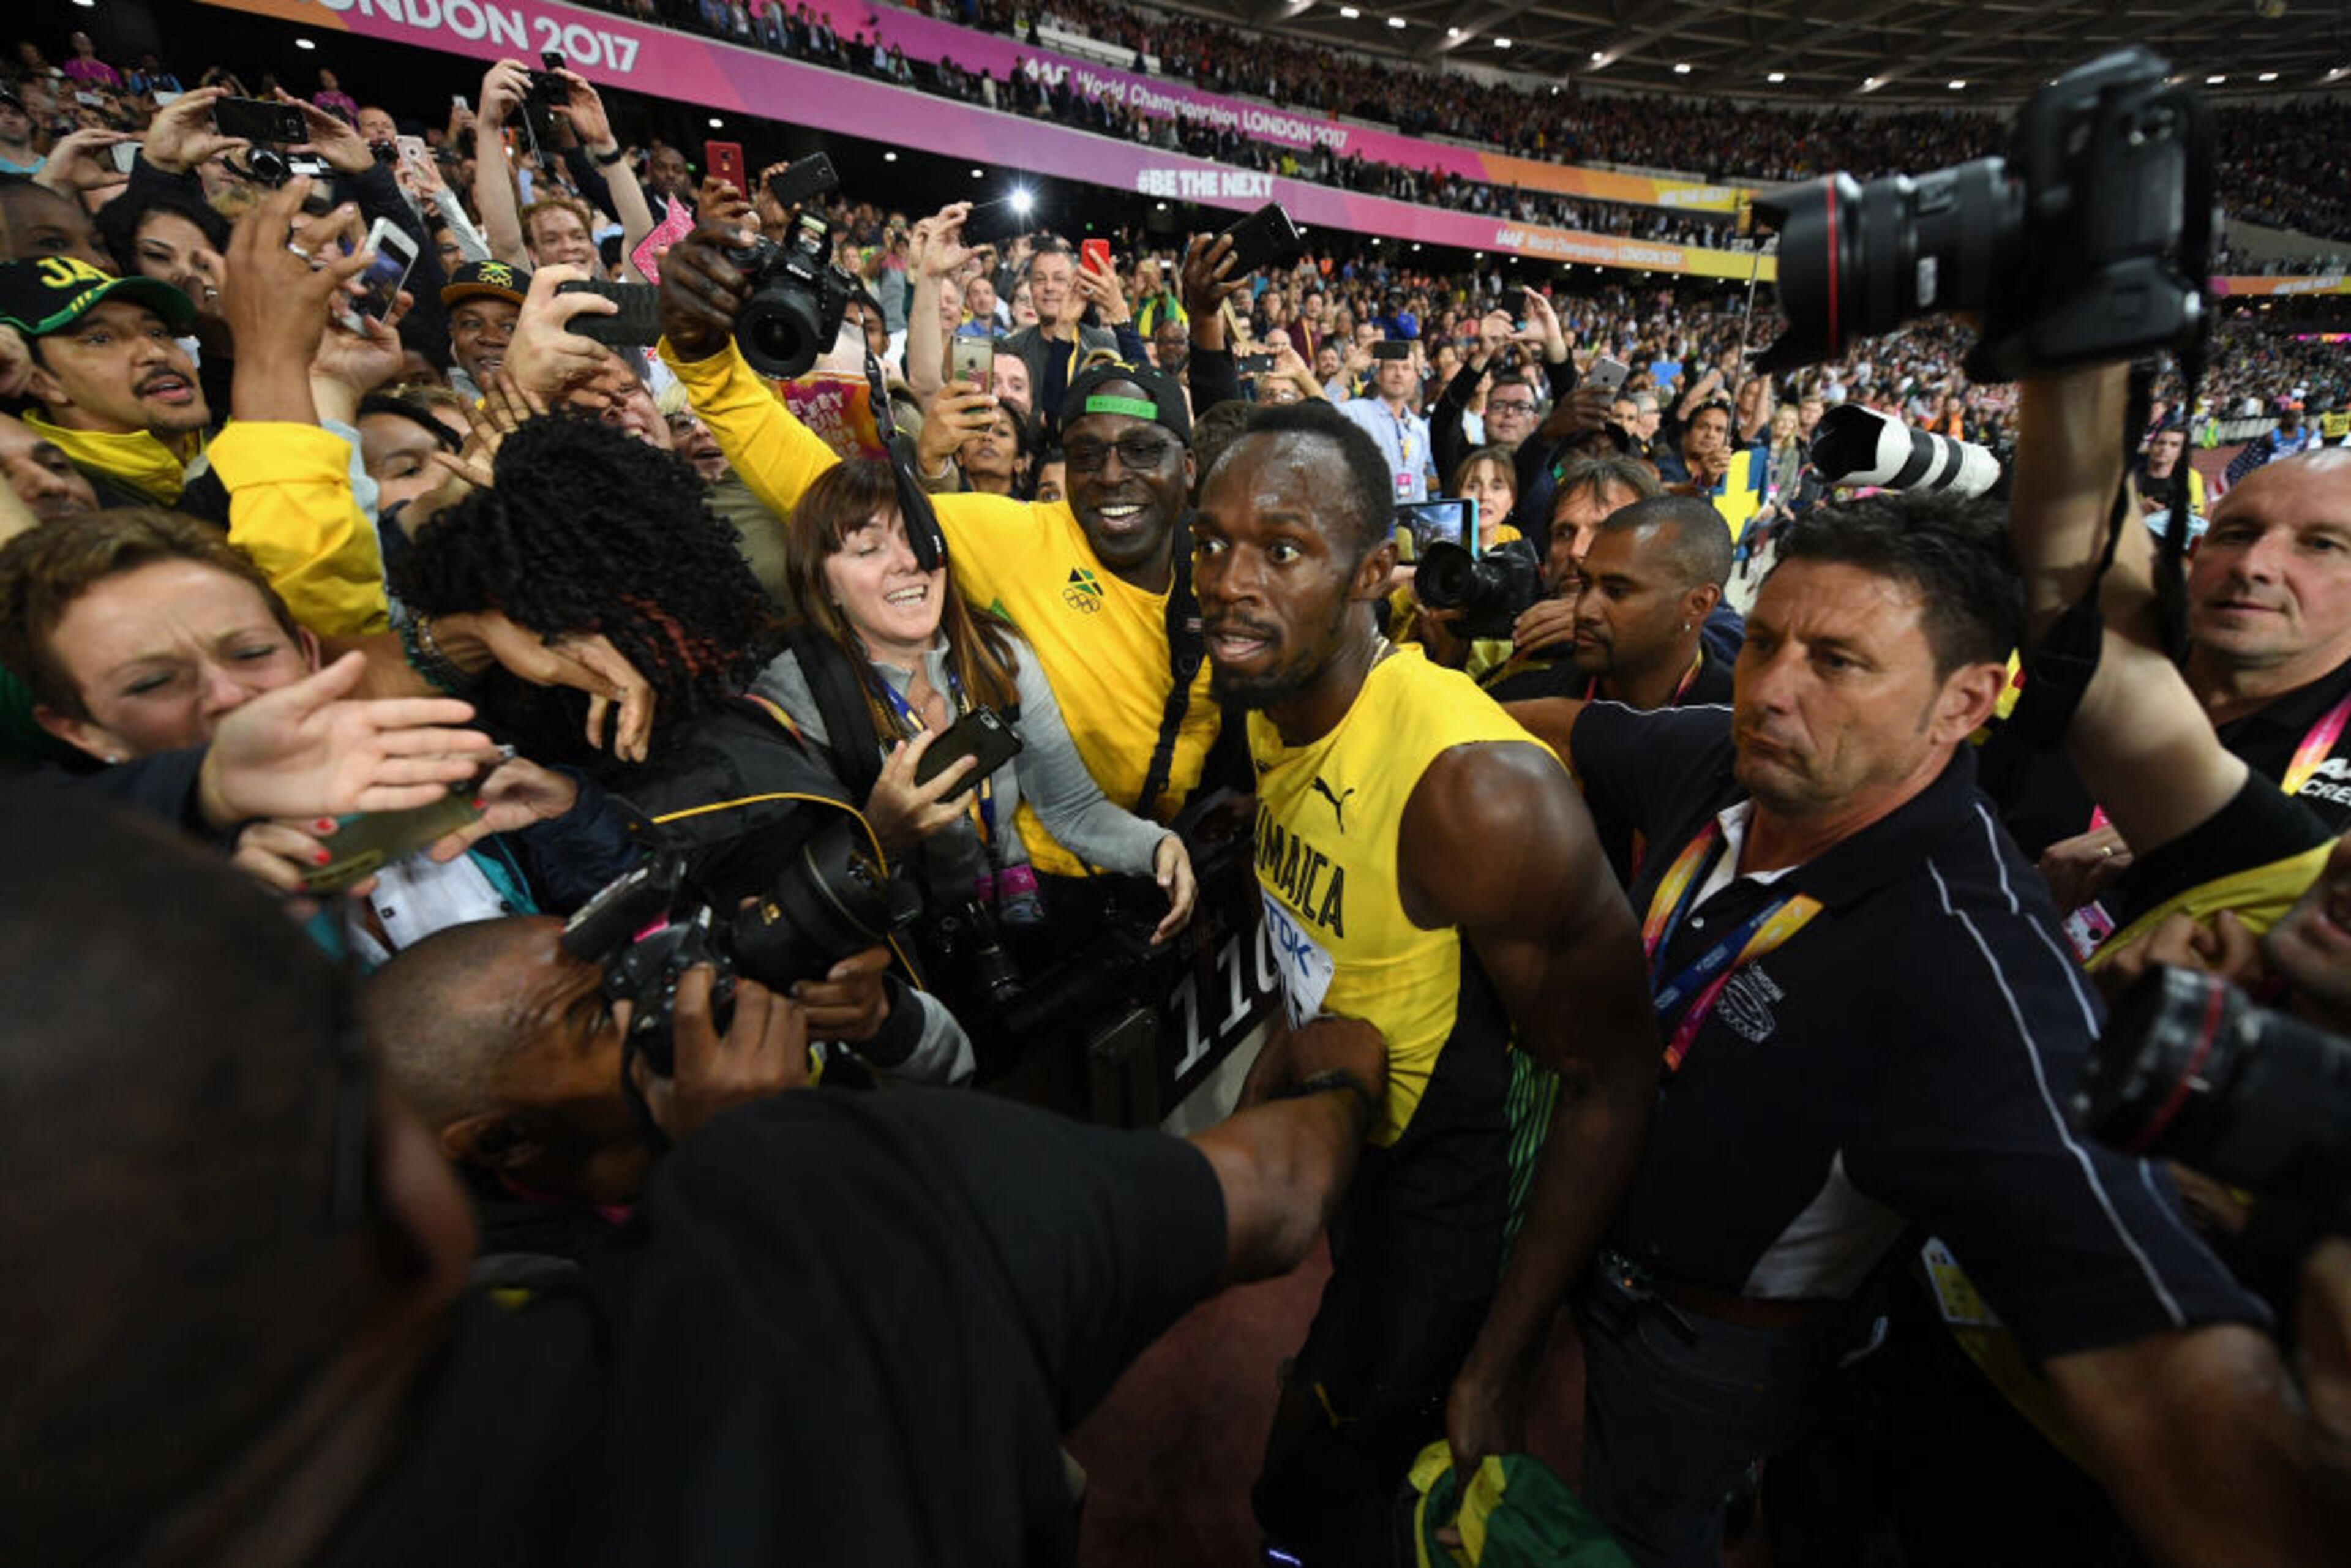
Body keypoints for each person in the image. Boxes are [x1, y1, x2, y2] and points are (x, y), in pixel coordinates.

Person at [0, 781, 1403, 1567]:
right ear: (432, 1168)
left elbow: (951, 1071)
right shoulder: (817, 1211)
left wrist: (882, 1034)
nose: (656, 994)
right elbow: (1267, 1193)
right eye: (590, 1008)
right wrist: (1341, 1070)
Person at [1501, 492, 2339, 1566]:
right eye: (1763, 643)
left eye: (1840, 662)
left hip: (1709, 1347)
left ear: (1966, 701)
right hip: (1578, 1234)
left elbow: (2135, 1325)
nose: (1773, 691)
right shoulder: (1714, 756)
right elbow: (1574, 726)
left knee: (1644, 1533)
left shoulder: (1976, 971)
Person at [1190, 400, 1659, 1562]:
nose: (1228, 582)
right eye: (1212, 541)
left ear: (1372, 574)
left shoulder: (1476, 791)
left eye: (1283, 550)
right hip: (1360, 1136)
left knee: (1307, 1491)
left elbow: (1613, 1083)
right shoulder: (1269, 688)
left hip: (1449, 1201)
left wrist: (1501, 1361)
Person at [656, 222, 1248, 891]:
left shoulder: (1227, 571)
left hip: (1172, 858)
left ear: (1190, 469)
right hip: (1050, 881)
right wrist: (708, 365)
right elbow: (818, 489)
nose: (1112, 475)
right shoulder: (1014, 533)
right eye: (1086, 454)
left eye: (1143, 451)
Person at [0, 507, 634, 959]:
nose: (230, 696)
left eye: (250, 652)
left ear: (306, 651)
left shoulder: (443, 771)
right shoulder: (94, 909)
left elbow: (641, 936)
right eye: (151, 683)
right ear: (79, 730)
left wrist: (568, 822)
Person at [749, 459, 1195, 1043]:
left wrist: (1156, 843)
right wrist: (876, 842)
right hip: (891, 988)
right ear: (822, 581)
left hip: (1012, 937)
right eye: (868, 549)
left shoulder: (998, 655)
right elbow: (786, 906)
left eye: (916, 539)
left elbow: (1070, 808)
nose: (907, 562)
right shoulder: (793, 700)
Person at [0, 186, 391, 639]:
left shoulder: (223, 439)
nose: (152, 352)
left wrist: (329, 381)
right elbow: (321, 627)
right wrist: (274, 360)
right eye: (100, 339)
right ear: (38, 378)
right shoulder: (58, 499)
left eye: (159, 332)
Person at [1331, 339, 1435, 502]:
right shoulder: (1358, 412)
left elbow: (1419, 483)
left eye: (1406, 368)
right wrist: (1348, 369)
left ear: (1415, 378)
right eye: (1392, 367)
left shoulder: (1419, 428)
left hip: (1404, 520)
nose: (1399, 374)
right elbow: (1320, 413)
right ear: (1379, 376)